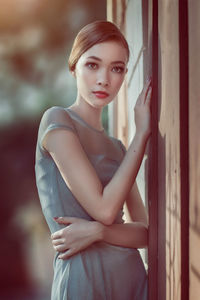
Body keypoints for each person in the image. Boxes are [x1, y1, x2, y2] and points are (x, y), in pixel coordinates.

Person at [35, 20, 152, 300]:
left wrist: (98, 232)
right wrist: (142, 134)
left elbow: (147, 233)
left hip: (132, 282)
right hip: (83, 283)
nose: (104, 79)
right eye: (92, 65)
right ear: (74, 66)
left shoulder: (118, 148)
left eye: (117, 68)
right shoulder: (56, 119)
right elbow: (104, 209)